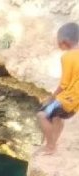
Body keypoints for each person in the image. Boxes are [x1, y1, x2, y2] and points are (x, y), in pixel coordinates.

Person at [37, 22, 79, 155]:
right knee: (57, 116)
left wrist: (52, 96)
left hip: (69, 98)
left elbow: (64, 84)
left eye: (58, 42)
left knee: (42, 115)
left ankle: (50, 147)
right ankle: (53, 141)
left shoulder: (67, 57)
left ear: (64, 42)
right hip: (75, 101)